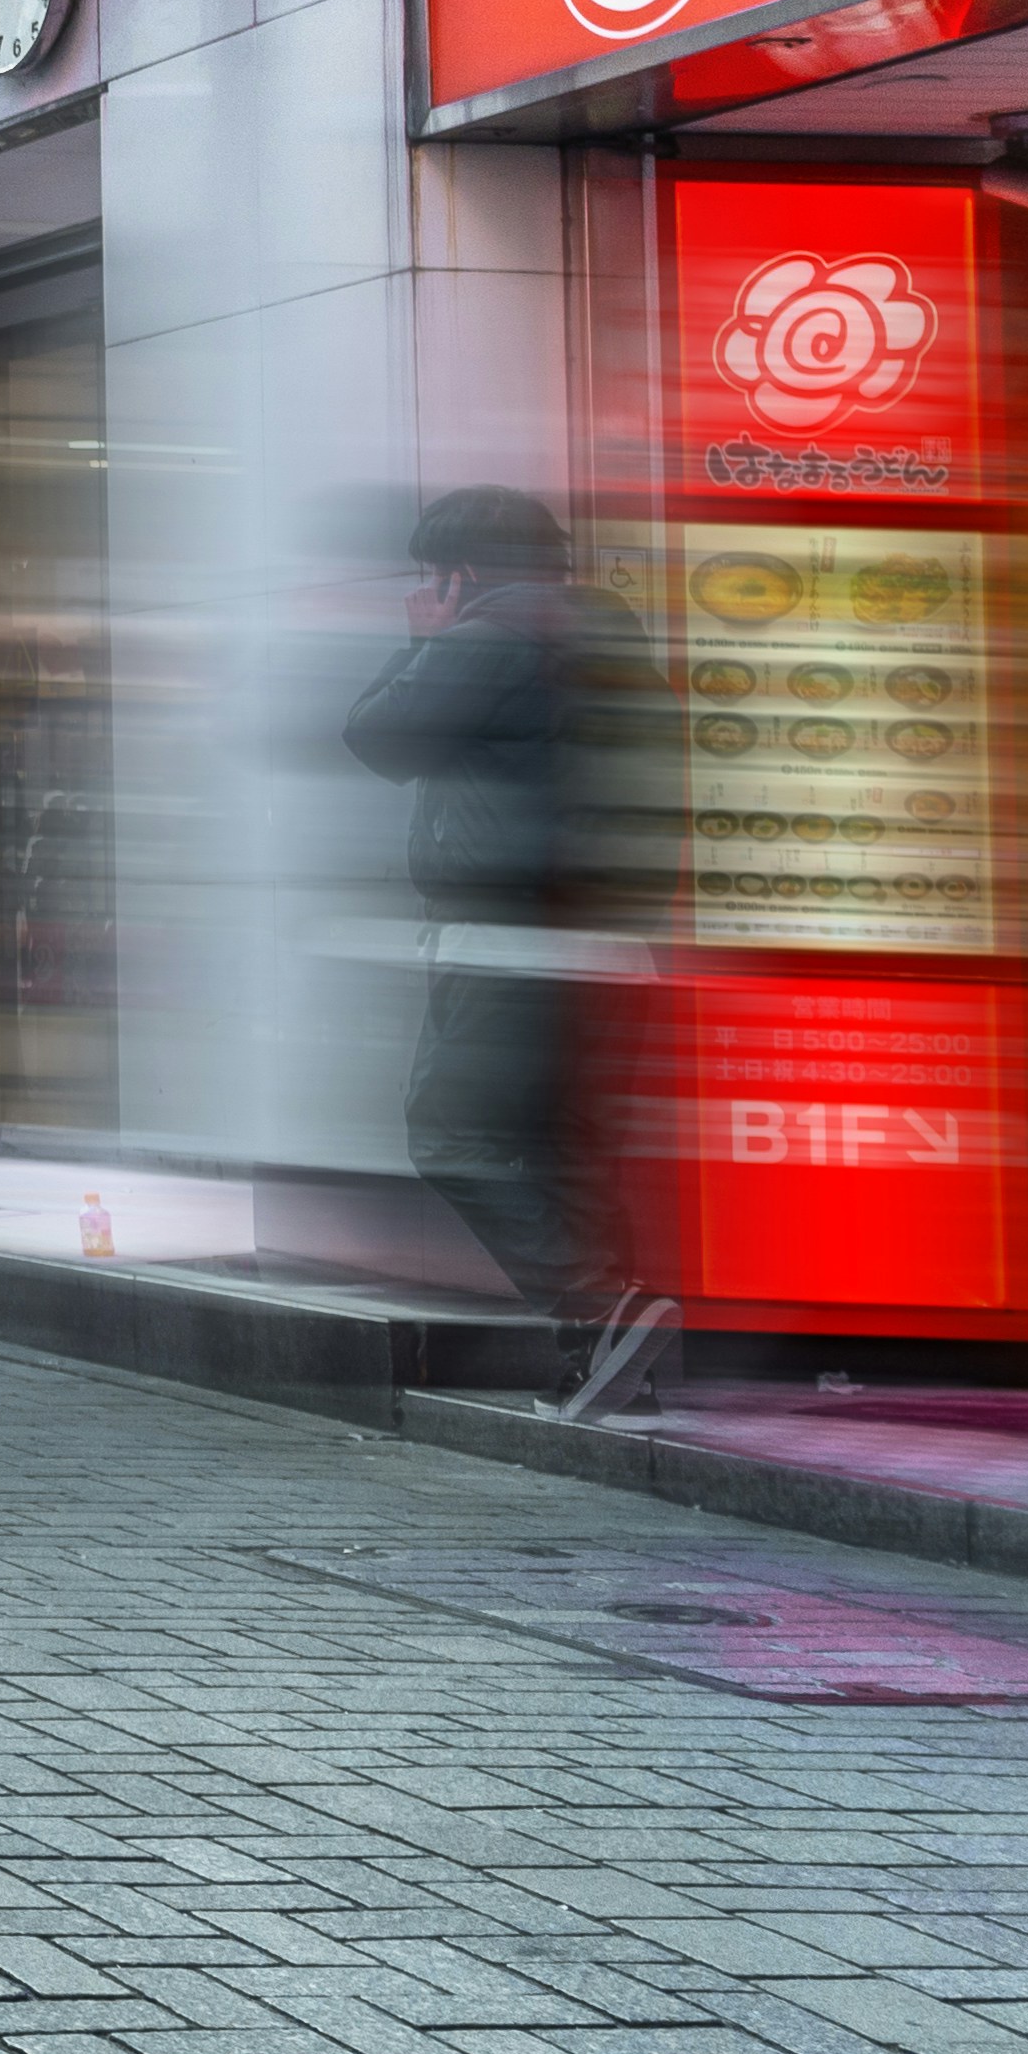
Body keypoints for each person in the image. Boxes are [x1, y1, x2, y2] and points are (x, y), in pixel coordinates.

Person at [347, 488, 658, 1420]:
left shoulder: (487, 635)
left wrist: (426, 636)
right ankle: (606, 1365)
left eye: (430, 576)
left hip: (505, 940)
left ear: (460, 571)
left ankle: (603, 1310)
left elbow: (374, 734)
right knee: (567, 1149)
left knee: (447, 1130)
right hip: (613, 944)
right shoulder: (616, 640)